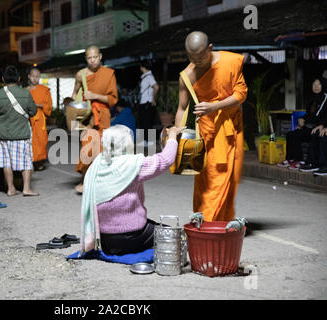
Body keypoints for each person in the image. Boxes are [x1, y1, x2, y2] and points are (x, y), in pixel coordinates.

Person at [174, 31, 248, 222]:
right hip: (205, 131)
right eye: (191, 57)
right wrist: (177, 134)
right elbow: (182, 108)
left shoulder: (230, 62)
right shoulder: (187, 76)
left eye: (200, 56)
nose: (196, 60)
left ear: (210, 48)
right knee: (204, 181)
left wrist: (214, 106)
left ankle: (211, 222)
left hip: (229, 127)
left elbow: (241, 94)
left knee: (223, 178)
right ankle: (205, 220)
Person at [80, 124, 183, 255]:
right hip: (131, 237)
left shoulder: (97, 164)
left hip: (104, 239)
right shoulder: (133, 165)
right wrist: (173, 136)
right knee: (172, 233)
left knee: (152, 225)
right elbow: (166, 159)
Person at [0, 65, 39, 197]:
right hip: (21, 134)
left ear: (3, 79)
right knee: (26, 162)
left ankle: (11, 189)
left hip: (3, 134)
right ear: (19, 78)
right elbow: (33, 112)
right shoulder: (26, 93)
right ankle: (26, 188)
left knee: (6, 162)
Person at [72, 45, 118, 193]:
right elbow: (74, 94)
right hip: (87, 117)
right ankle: (85, 181)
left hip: (103, 115)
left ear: (100, 57)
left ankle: (100, 184)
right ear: (86, 59)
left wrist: (95, 96)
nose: (92, 61)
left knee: (102, 150)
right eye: (89, 58)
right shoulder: (81, 75)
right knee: (88, 148)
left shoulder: (109, 74)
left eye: (95, 57)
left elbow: (113, 99)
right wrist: (74, 109)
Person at [279, 79, 327, 171]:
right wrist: (303, 119)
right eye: (314, 84)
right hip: (312, 127)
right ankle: (296, 160)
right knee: (291, 134)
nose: (316, 86)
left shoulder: (324, 98)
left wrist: (321, 125)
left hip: (318, 128)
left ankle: (312, 163)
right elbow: (310, 115)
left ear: (323, 86)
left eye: (319, 84)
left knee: (315, 133)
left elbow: (318, 116)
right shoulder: (313, 100)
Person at [26, 68, 53, 171]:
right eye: (33, 76)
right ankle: (30, 162)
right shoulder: (25, 91)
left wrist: (39, 105)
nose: (35, 79)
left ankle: (39, 161)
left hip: (39, 119)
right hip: (28, 119)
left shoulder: (44, 90)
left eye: (37, 76)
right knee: (29, 141)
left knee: (41, 141)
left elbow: (49, 106)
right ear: (29, 76)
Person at [137, 60, 159, 146]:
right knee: (144, 122)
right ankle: (145, 141)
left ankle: (150, 142)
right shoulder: (146, 76)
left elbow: (156, 87)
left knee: (147, 122)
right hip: (144, 102)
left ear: (142, 67)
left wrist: (153, 99)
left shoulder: (149, 76)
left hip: (147, 102)